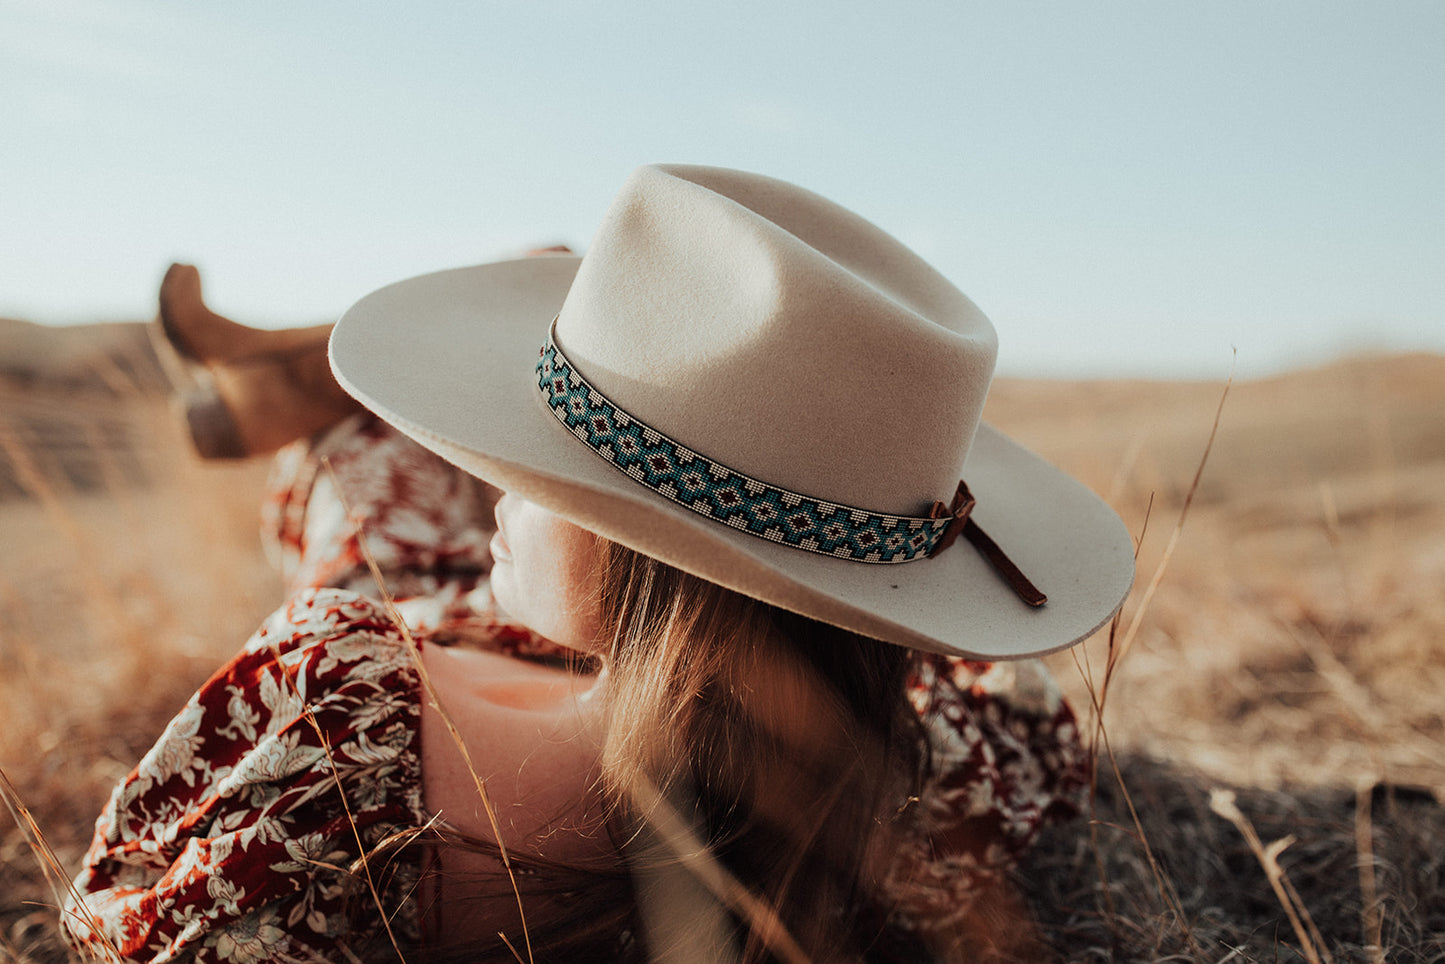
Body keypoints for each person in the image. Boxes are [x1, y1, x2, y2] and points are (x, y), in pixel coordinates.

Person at [62, 165, 1134, 963]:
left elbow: (125, 917)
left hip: (461, 611)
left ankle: (284, 384)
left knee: (360, 460)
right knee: (546, 273)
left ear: (653, 553)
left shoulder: (336, 704)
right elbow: (1026, 715)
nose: (493, 484)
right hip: (678, 645)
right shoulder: (933, 778)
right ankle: (294, 365)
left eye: (538, 470)